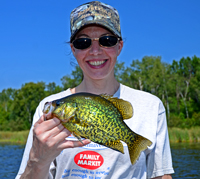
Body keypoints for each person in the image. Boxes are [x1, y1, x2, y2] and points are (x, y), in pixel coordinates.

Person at [16, 1, 174, 179]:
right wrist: (37, 159)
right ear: (73, 49)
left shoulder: (151, 106)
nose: (95, 51)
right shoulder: (47, 112)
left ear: (119, 46)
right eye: (83, 42)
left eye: (107, 40)